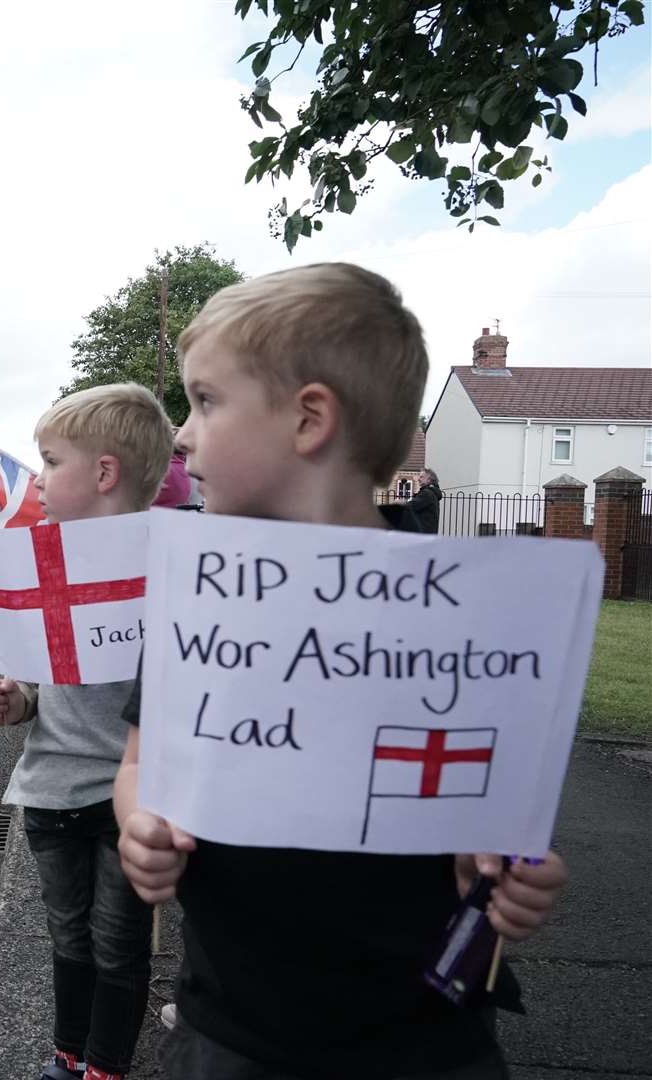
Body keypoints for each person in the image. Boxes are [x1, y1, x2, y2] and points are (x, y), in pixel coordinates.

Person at [114, 264, 569, 1079]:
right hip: (232, 1033)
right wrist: (141, 823)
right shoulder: (202, 600)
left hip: (426, 1041)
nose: (181, 435)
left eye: (207, 401)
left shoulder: (464, 617)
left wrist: (515, 871)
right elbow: (145, 763)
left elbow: (502, 820)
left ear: (309, 418)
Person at [0, 383, 174, 1080]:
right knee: (69, 937)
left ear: (104, 473)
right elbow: (38, 677)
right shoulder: (42, 558)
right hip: (52, 792)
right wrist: (15, 699)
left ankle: (106, 1066)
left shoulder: (169, 566)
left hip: (131, 801)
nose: (38, 480)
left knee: (119, 947)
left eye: (50, 461)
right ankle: (68, 1053)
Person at [407, 467, 444, 533]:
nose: (418, 479)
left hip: (423, 534)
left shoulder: (427, 493)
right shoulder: (430, 493)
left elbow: (410, 506)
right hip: (427, 533)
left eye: (421, 477)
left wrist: (400, 504)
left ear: (429, 480)